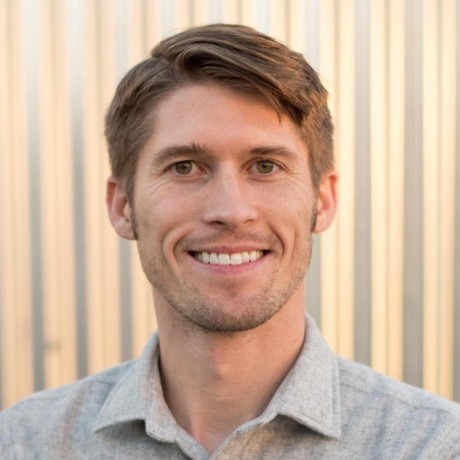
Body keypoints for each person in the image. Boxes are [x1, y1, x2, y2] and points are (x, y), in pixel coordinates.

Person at [1, 23, 459, 460]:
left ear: (323, 199)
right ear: (123, 206)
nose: (231, 210)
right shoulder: (24, 444)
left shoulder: (434, 446)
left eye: (265, 166)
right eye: (184, 167)